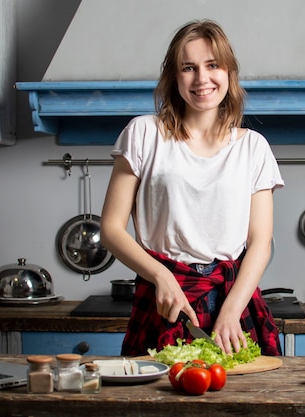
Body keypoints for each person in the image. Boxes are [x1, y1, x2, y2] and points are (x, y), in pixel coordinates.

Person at [100, 19, 284, 356]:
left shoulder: (254, 147)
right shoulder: (143, 134)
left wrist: (230, 310)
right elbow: (111, 228)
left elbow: (260, 243)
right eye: (189, 68)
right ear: (175, 77)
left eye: (213, 65)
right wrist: (160, 276)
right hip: (167, 298)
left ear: (228, 72)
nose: (202, 79)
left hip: (234, 299)